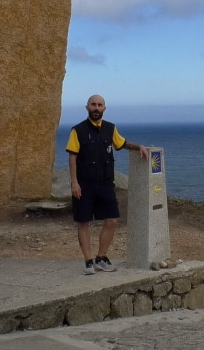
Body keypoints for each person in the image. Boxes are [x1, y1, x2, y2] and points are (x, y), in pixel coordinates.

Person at [66, 94, 149, 275]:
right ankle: (88, 261)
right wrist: (74, 183)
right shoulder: (77, 130)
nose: (96, 108)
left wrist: (139, 146)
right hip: (84, 184)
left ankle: (101, 258)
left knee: (111, 220)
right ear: (87, 107)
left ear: (104, 108)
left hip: (105, 184)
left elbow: (122, 143)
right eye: (93, 105)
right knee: (83, 222)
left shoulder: (110, 128)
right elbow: (72, 157)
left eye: (100, 105)